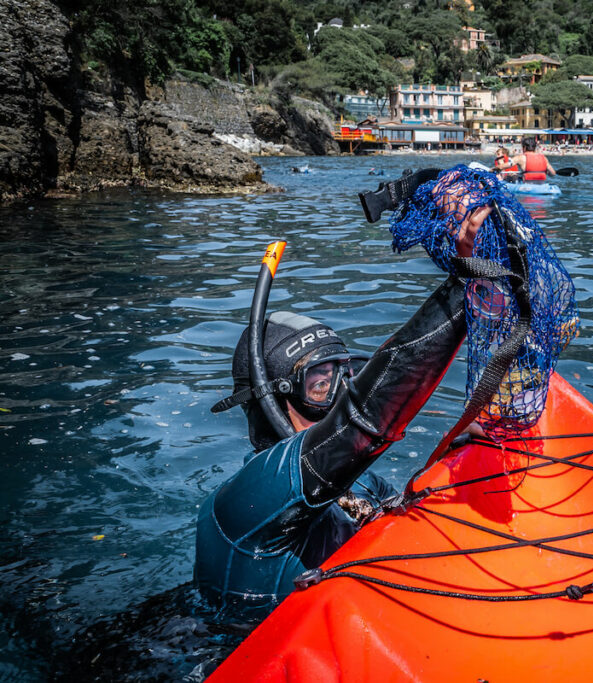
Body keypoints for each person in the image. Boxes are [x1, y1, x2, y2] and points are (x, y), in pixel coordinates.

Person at [194, 183, 492, 619]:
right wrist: (465, 283)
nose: (338, 394)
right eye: (320, 383)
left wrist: (444, 462)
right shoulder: (245, 501)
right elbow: (363, 417)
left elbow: (400, 535)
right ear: (272, 400)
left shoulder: (363, 486)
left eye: (346, 375)